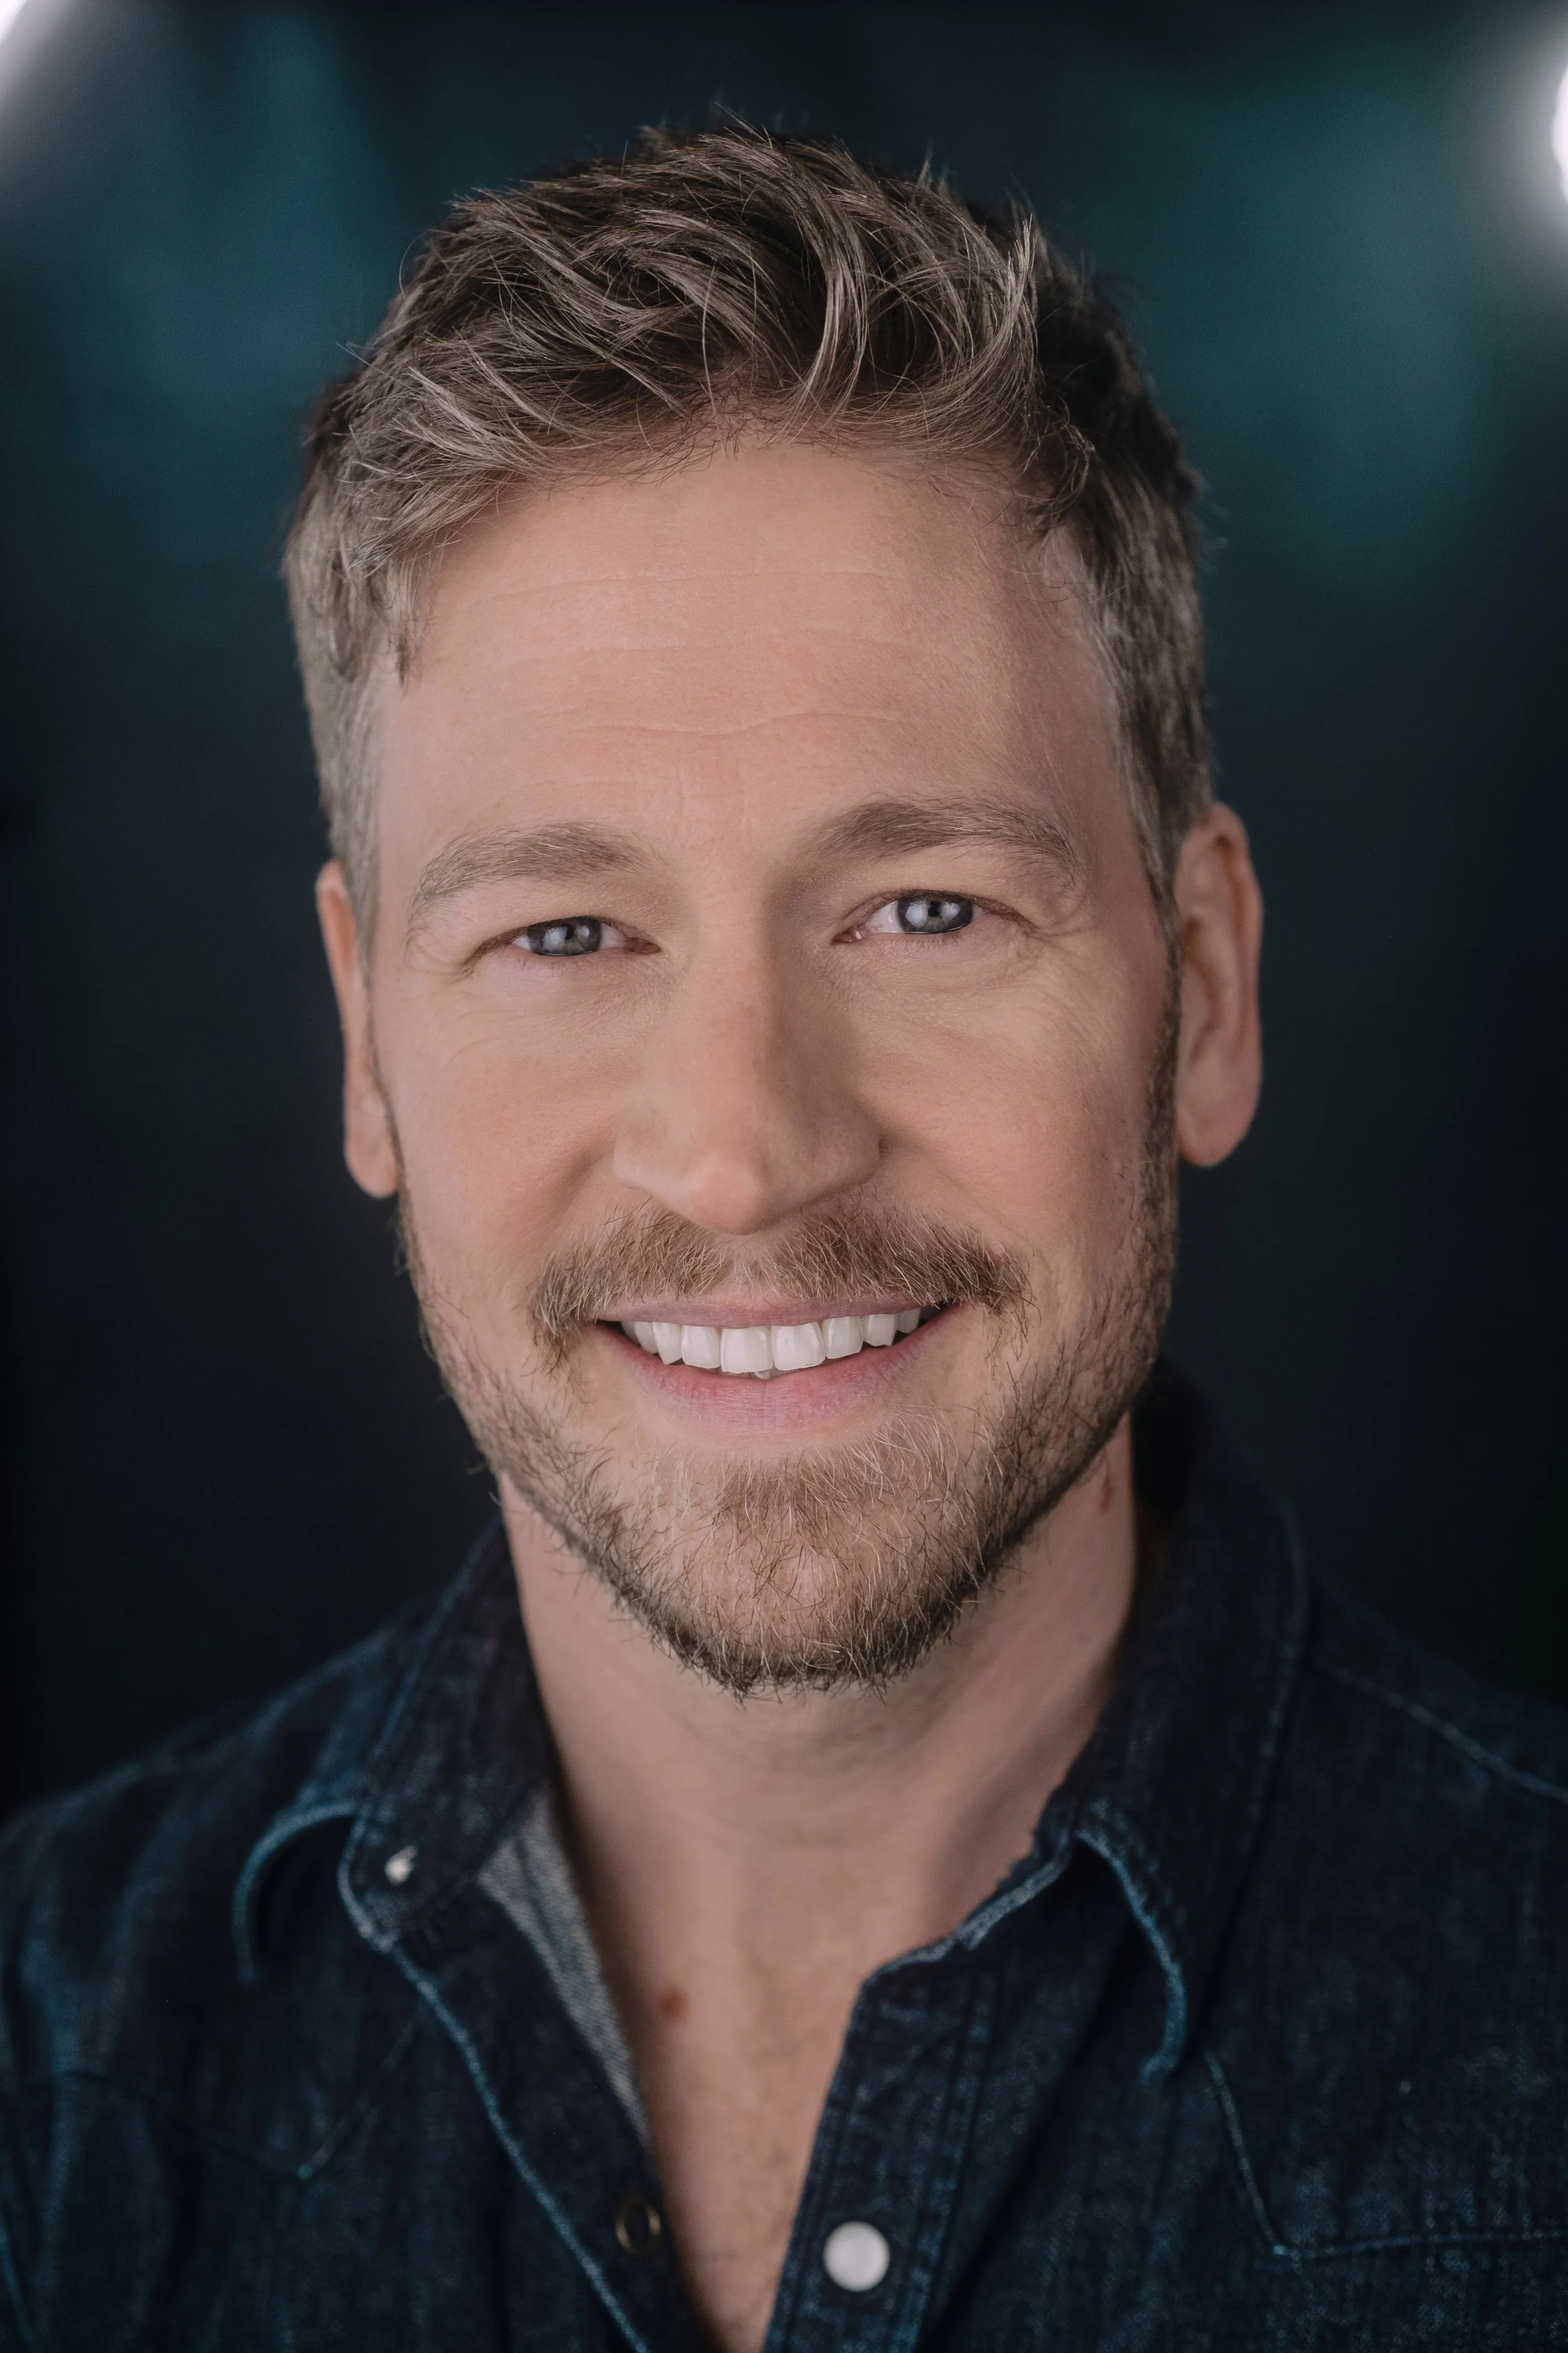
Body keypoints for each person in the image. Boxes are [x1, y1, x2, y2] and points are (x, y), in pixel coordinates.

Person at [1, 124, 1564, 2353]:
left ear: (1201, 989)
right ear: (365, 1049)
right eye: (565, 929)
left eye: (923, 907)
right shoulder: (42, 2089)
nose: (742, 1153)